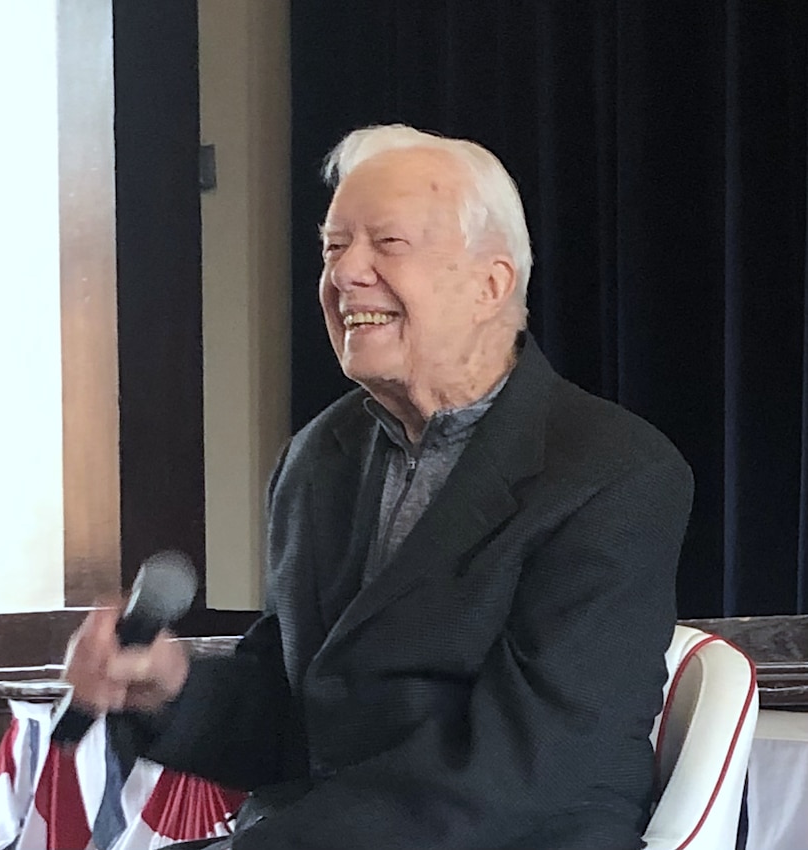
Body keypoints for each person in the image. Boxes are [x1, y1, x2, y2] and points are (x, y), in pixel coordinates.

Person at [65, 124, 694, 849]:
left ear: (490, 284)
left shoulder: (613, 470)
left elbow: (531, 770)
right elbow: (295, 713)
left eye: (386, 245)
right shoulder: (319, 456)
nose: (344, 274)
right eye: (333, 247)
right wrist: (168, 691)